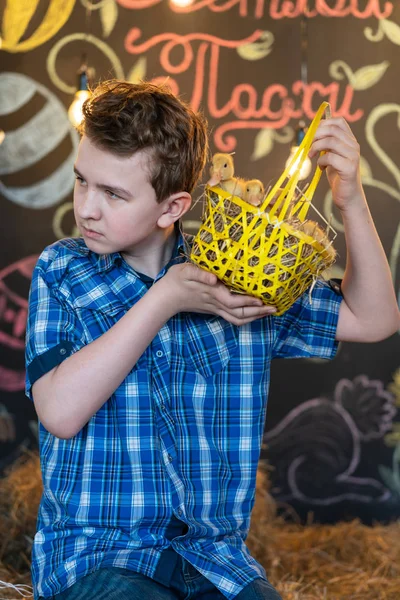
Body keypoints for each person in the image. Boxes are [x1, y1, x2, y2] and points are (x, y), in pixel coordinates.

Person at [25, 80, 399, 600]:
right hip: (97, 557)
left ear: (173, 207)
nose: (87, 207)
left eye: (113, 193)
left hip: (214, 563)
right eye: (82, 181)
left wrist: (351, 199)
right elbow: (59, 412)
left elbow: (374, 318)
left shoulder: (243, 268)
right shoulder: (62, 271)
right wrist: (164, 300)